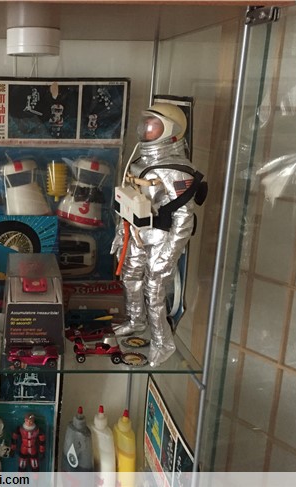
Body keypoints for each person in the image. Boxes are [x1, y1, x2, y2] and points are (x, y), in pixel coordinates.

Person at [111, 103, 206, 366]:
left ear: (171, 131)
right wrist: (121, 232)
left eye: (153, 124)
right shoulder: (139, 163)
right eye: (146, 122)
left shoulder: (177, 170)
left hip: (161, 239)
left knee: (154, 290)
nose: (146, 128)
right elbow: (128, 201)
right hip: (137, 233)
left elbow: (184, 218)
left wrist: (169, 255)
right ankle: (136, 320)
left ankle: (163, 343)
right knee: (130, 276)